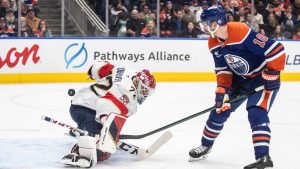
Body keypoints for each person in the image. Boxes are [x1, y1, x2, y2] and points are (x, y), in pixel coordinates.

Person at [188, 5, 286, 169]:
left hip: (261, 80)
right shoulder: (213, 42)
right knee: (219, 111)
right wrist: (222, 90)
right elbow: (223, 69)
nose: (204, 26)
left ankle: (263, 158)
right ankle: (205, 146)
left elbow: (276, 49)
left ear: (217, 22)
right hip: (238, 80)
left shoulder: (240, 32)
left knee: (256, 112)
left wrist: (273, 74)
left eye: (207, 23)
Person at [62, 61, 156, 168]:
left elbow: (99, 67)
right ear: (138, 83)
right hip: (87, 108)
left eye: (148, 93)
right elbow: (105, 104)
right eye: (144, 91)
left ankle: (83, 129)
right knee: (103, 152)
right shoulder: (128, 96)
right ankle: (79, 152)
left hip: (80, 101)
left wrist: (92, 72)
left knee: (95, 129)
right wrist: (108, 130)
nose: (145, 94)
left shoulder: (125, 70)